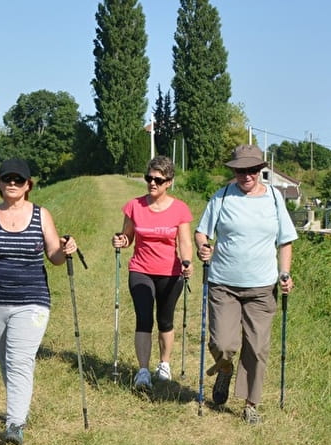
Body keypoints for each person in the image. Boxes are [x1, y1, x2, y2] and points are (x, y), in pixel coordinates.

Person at [0, 158, 79, 445]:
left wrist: (66, 250)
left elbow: (53, 255)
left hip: (32, 300)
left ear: (28, 185)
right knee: (7, 362)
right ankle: (19, 408)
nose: (11, 184)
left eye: (18, 180)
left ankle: (15, 424)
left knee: (19, 359)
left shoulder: (41, 215)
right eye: (6, 179)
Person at [195, 144, 297, 424]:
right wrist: (203, 247)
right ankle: (225, 368)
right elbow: (202, 232)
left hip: (262, 287)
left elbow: (285, 240)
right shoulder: (222, 197)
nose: (246, 175)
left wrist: (284, 273)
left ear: (260, 170)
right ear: (235, 171)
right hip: (223, 283)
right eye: (240, 170)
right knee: (223, 343)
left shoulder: (275, 199)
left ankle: (251, 403)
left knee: (256, 346)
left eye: (251, 170)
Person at [111, 155, 194, 390]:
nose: (152, 183)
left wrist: (187, 261)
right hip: (141, 270)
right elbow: (127, 237)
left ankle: (164, 364)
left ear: (169, 182)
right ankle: (143, 371)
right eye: (149, 178)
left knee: (165, 320)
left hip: (170, 272)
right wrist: (120, 240)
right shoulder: (134, 206)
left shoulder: (180, 209)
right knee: (144, 318)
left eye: (158, 179)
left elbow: (185, 242)